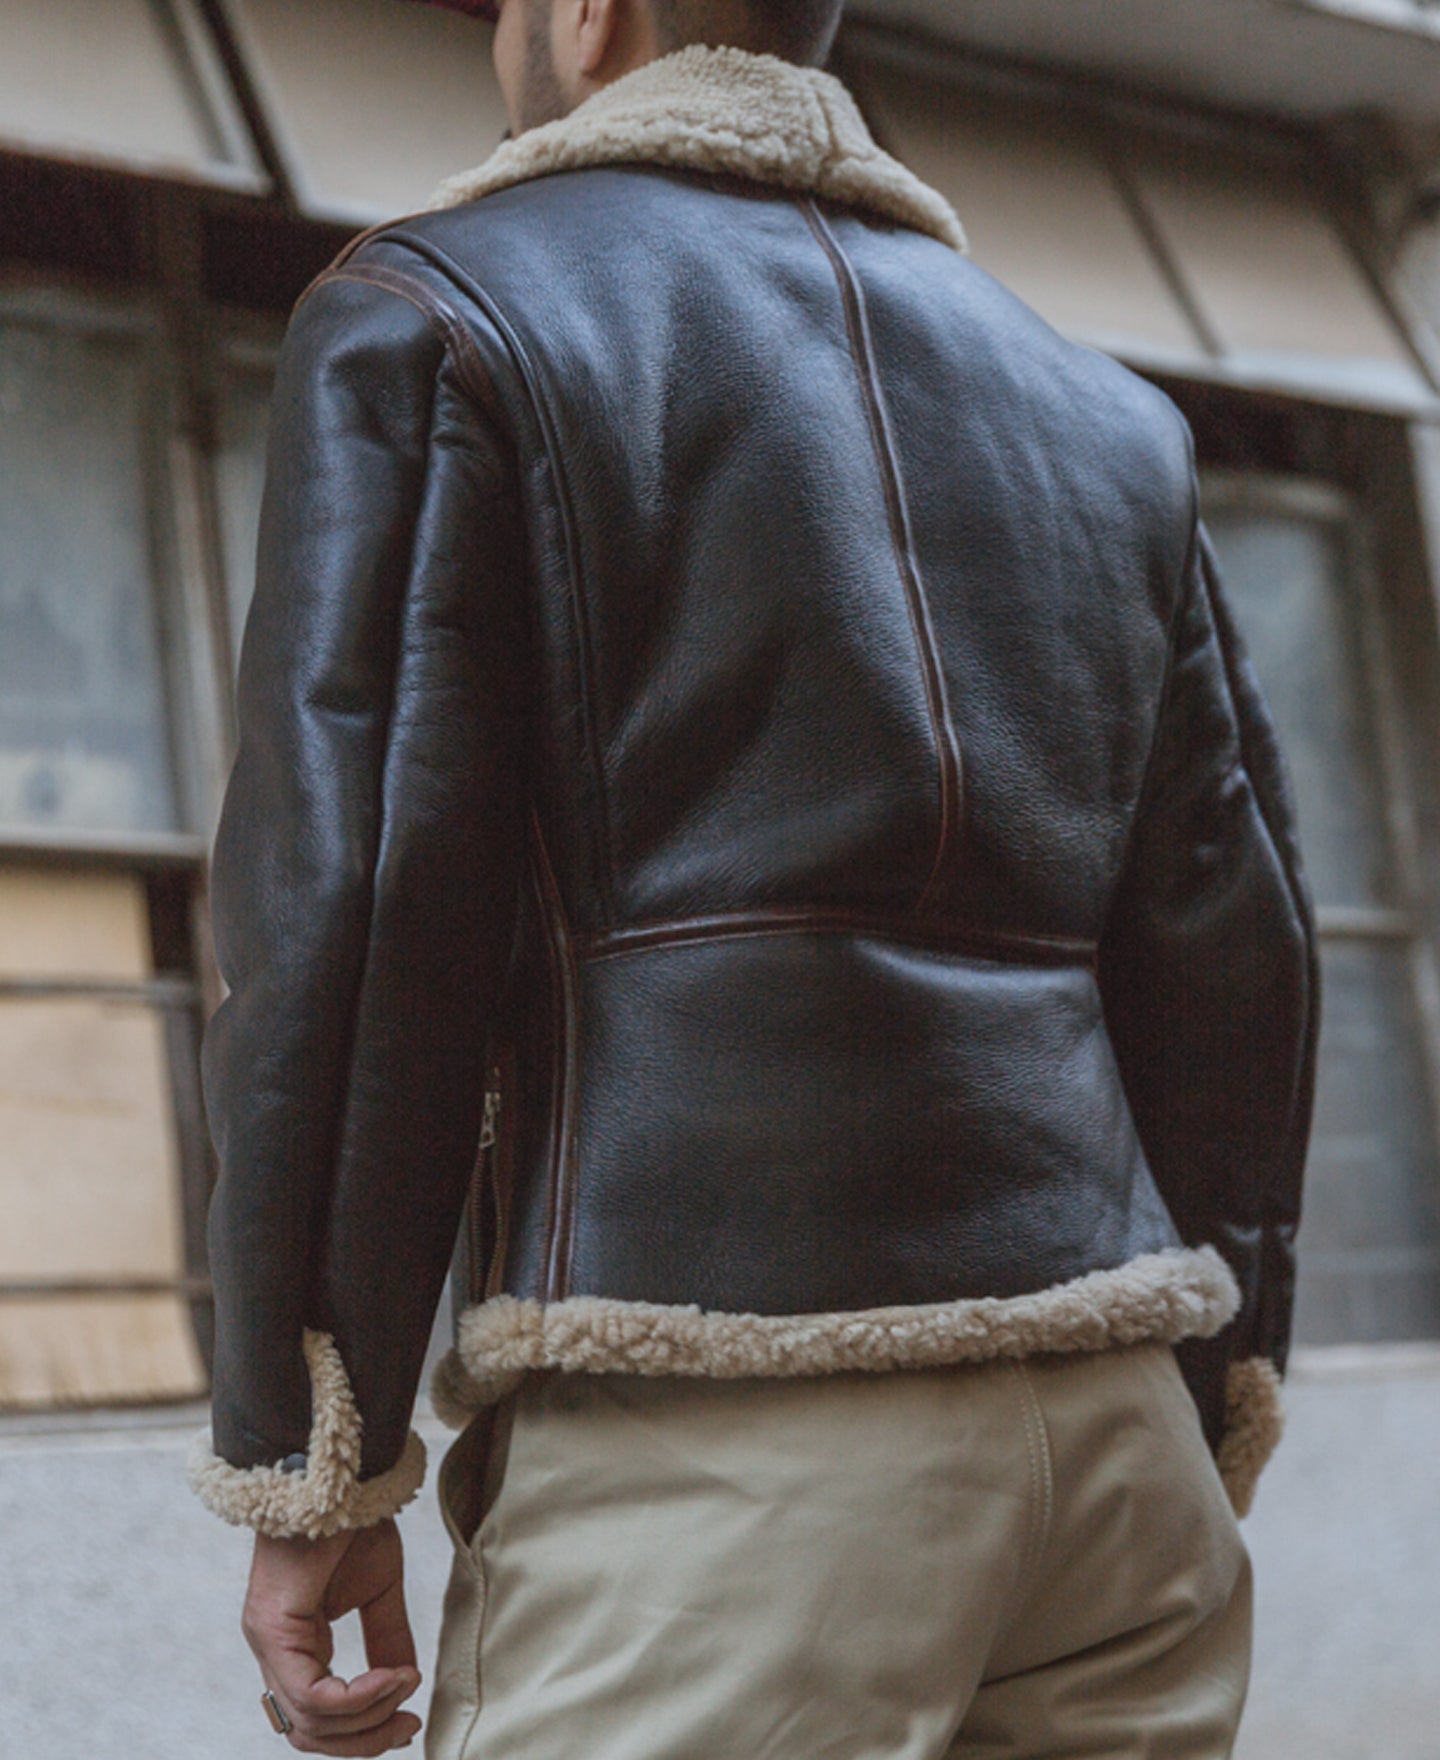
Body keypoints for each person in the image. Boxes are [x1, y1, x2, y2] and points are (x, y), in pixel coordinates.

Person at [188, 0, 1320, 1755]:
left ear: (588, 14)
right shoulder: (1107, 417)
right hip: (1120, 1464)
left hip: (725, 1473)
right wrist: (1210, 1384)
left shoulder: (440, 314)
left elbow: (357, 915)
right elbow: (1232, 944)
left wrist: (314, 1456)